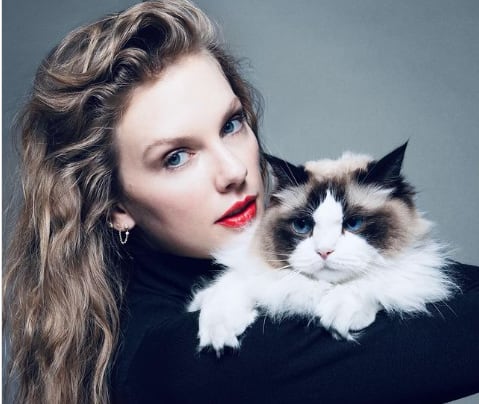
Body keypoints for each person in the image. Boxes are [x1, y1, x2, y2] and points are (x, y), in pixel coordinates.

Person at [3, 1, 478, 403]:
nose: (234, 171)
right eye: (176, 157)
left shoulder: (278, 268)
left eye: (231, 124)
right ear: (115, 207)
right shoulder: (179, 354)